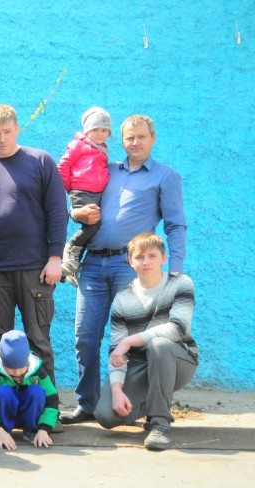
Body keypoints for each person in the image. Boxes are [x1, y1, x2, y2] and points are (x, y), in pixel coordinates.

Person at [63, 115, 187, 425]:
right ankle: (87, 404)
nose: (135, 142)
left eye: (141, 136)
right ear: (122, 140)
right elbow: (78, 195)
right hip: (93, 264)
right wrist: (75, 213)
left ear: (153, 138)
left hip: (130, 267)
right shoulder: (107, 170)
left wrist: (175, 271)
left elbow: (175, 225)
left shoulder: (165, 176)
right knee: (85, 337)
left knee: (136, 340)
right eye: (129, 137)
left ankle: (146, 406)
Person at [0, 104, 67, 386]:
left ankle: (46, 406)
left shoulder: (40, 161)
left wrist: (55, 257)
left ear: (17, 129)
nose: (2, 138)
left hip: (36, 269)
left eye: (7, 132)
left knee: (38, 341)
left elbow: (58, 211)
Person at [94, 233, 198, 450]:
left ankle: (159, 423)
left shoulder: (180, 283)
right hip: (140, 364)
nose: (146, 262)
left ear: (163, 258)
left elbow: (178, 328)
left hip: (178, 358)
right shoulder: (123, 298)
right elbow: (117, 351)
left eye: (152, 256)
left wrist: (131, 340)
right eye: (139, 257)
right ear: (130, 261)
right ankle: (150, 401)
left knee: (159, 345)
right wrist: (117, 391)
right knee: (106, 415)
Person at [0, 330, 59, 450]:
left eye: (21, 368)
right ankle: (4, 432)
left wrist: (44, 429)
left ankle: (32, 430)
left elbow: (52, 401)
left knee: (37, 392)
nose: (17, 373)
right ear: (2, 361)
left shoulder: (38, 371)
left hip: (30, 415)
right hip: (2, 419)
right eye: (10, 368)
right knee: (2, 392)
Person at [57, 107, 112, 286]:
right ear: (87, 130)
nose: (100, 134)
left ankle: (70, 266)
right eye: (95, 129)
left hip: (95, 193)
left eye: (104, 130)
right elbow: (63, 166)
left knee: (95, 228)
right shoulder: (79, 145)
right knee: (92, 225)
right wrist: (70, 188)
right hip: (81, 191)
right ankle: (71, 247)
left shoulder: (101, 149)